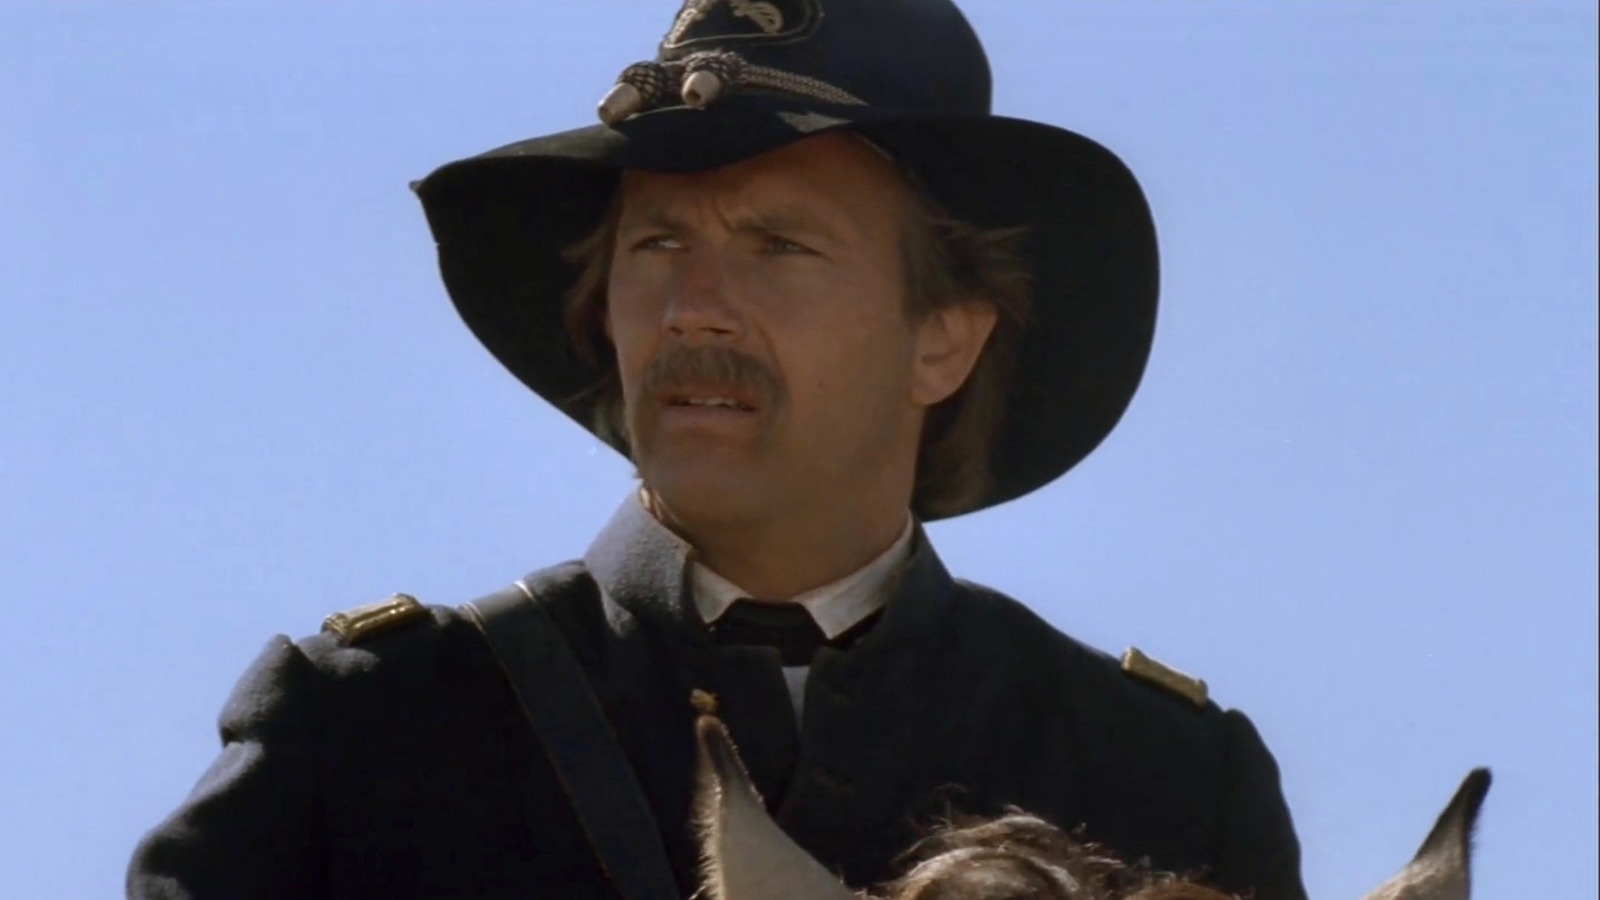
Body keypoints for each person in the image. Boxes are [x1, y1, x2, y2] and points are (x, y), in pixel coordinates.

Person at [128, 1, 1307, 898]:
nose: (693, 308)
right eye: (655, 245)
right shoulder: (364, 729)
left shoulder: (1157, 775)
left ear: (942, 339)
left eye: (777, 246)